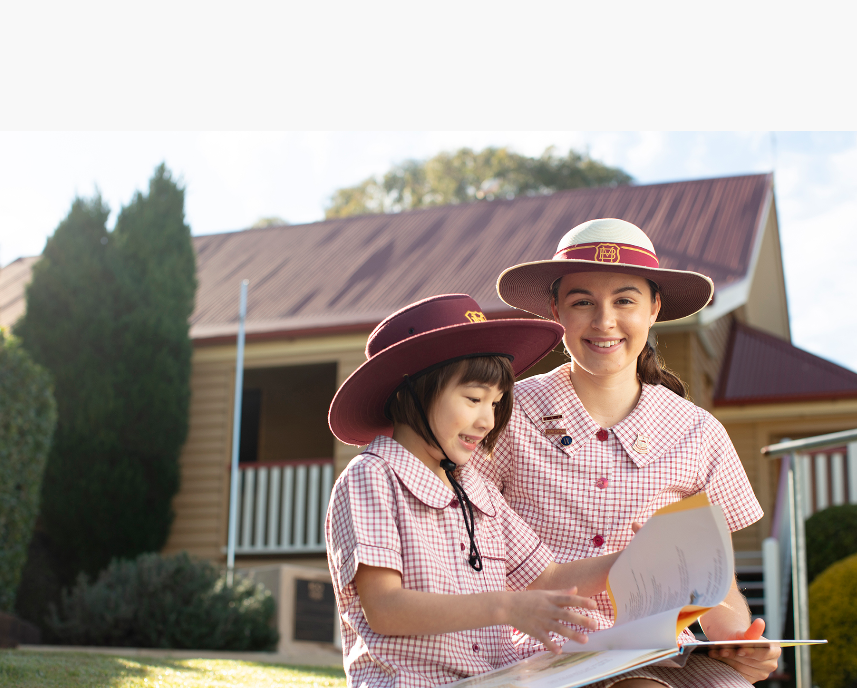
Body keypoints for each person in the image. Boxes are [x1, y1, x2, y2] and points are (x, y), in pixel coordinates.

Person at [471, 219, 782, 688]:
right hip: (537, 651)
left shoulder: (699, 432)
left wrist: (743, 642)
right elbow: (466, 553)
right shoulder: (503, 415)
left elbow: (719, 591)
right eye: (582, 302)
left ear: (654, 308)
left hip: (656, 652)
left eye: (624, 300)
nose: (604, 321)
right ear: (556, 310)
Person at [325, 294, 632, 688]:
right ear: (410, 392)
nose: (488, 420)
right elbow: (386, 608)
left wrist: (632, 559)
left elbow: (547, 576)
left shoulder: (476, 487)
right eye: (473, 399)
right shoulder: (372, 478)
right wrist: (506, 606)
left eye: (496, 402)